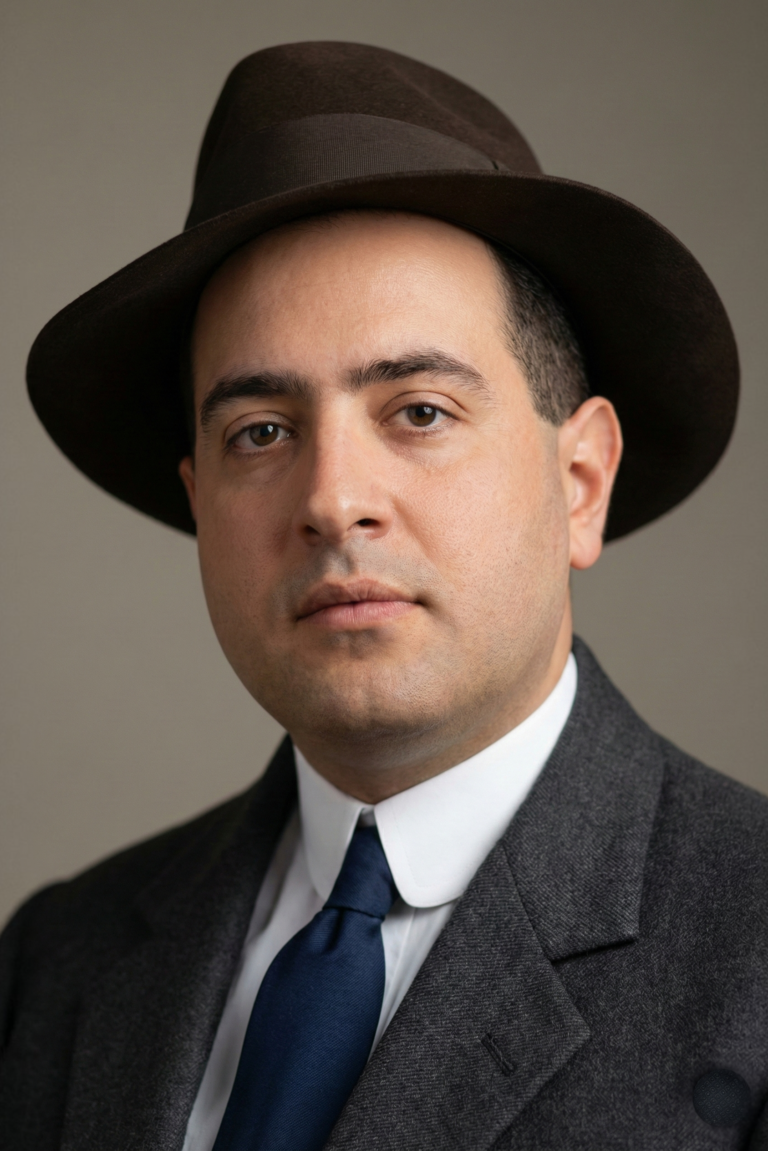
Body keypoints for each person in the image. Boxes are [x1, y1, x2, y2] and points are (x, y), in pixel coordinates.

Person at [2, 40, 766, 1151]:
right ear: (200, 504)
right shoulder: (51, 966)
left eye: (419, 411)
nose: (332, 499)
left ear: (579, 481)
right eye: (260, 432)